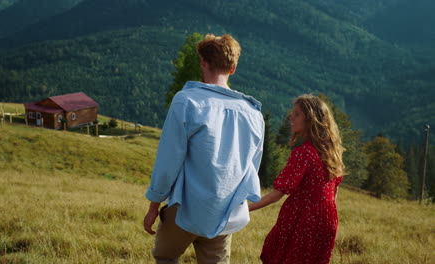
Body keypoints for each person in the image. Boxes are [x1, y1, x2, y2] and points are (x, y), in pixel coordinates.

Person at [143, 33, 264, 264]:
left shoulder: (187, 101)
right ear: (233, 68)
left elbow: (168, 163)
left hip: (185, 207)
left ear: (203, 62)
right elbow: (251, 167)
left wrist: (153, 207)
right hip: (225, 210)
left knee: (165, 256)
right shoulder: (254, 114)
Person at [249, 94, 345, 264]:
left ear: (311, 120)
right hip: (328, 222)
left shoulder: (304, 153)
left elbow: (277, 195)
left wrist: (244, 209)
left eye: (297, 113)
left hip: (301, 221)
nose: (291, 117)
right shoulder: (332, 154)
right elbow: (333, 196)